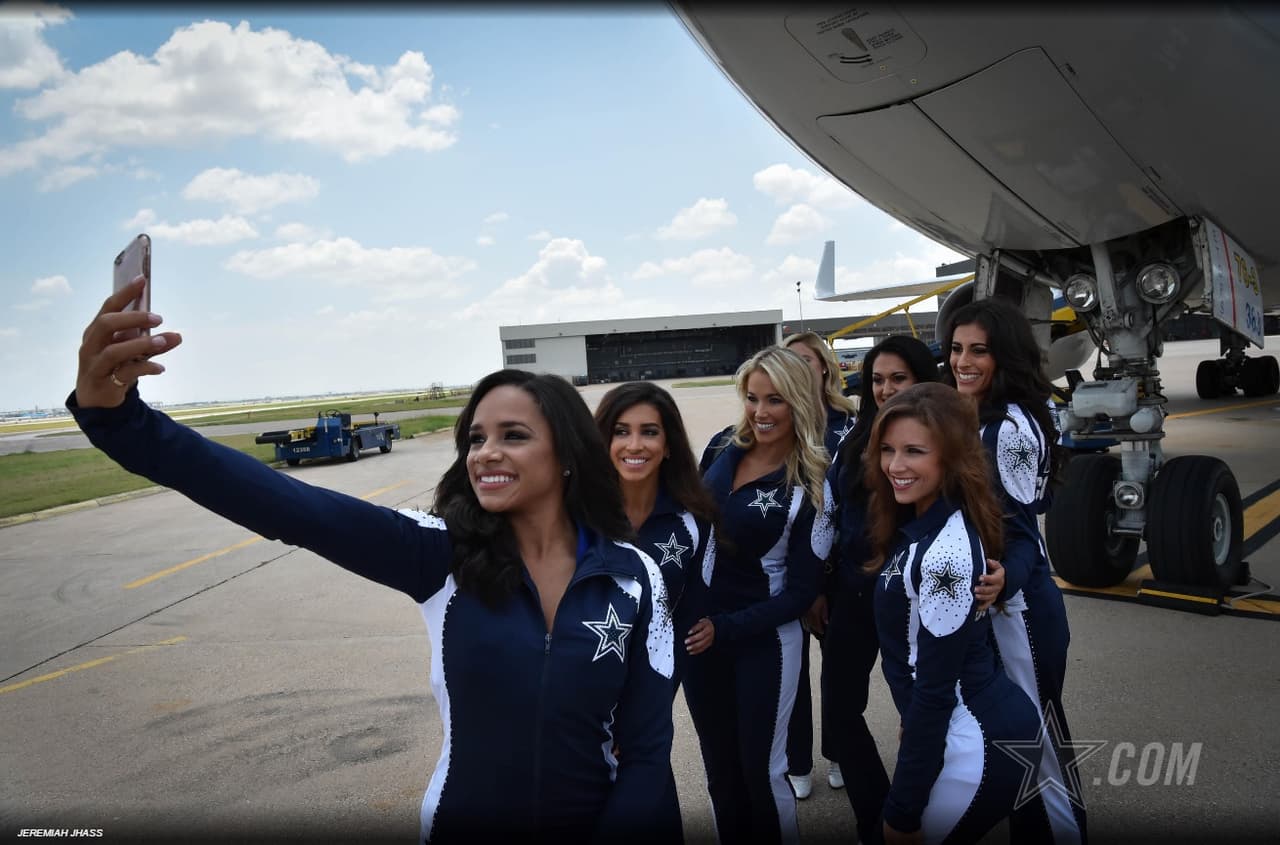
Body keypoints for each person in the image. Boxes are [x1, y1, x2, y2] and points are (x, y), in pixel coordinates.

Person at [70, 278, 680, 844]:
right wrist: (121, 422)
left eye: (513, 436)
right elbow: (286, 506)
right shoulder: (440, 554)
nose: (484, 453)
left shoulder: (635, 577)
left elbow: (648, 751)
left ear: (567, 455)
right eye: (476, 437)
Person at [864, 382, 1043, 845]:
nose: (895, 466)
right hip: (964, 727)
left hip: (975, 739)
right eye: (887, 450)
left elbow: (936, 691)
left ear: (951, 457)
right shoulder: (920, 521)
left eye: (914, 451)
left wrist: (902, 812)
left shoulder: (945, 554)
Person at [942, 297, 1086, 844]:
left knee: (1038, 750)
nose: (963, 362)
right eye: (957, 349)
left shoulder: (1005, 428)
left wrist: (1006, 583)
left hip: (1017, 609)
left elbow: (1022, 530)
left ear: (1004, 356)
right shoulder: (989, 415)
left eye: (978, 351)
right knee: (1022, 742)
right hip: (1006, 601)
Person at [683, 345, 832, 845]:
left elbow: (802, 593)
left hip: (764, 644)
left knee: (762, 772)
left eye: (775, 400)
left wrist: (725, 627)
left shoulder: (814, 480)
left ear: (799, 402)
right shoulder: (721, 448)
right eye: (752, 398)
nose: (760, 412)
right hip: (700, 643)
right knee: (719, 771)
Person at [593, 381, 718, 842]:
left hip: (646, 709)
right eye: (621, 431)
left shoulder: (694, 521)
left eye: (649, 432)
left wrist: (642, 720)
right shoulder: (575, 518)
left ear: (668, 446)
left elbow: (684, 631)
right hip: (581, 706)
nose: (635, 445)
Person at [779, 330, 858, 799]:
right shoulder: (777, 421)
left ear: (825, 366)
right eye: (788, 361)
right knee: (792, 673)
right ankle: (797, 761)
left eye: (806, 360)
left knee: (840, 672)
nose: (798, 369)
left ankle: (840, 751)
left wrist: (824, 584)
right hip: (790, 572)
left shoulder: (850, 423)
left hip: (840, 569)